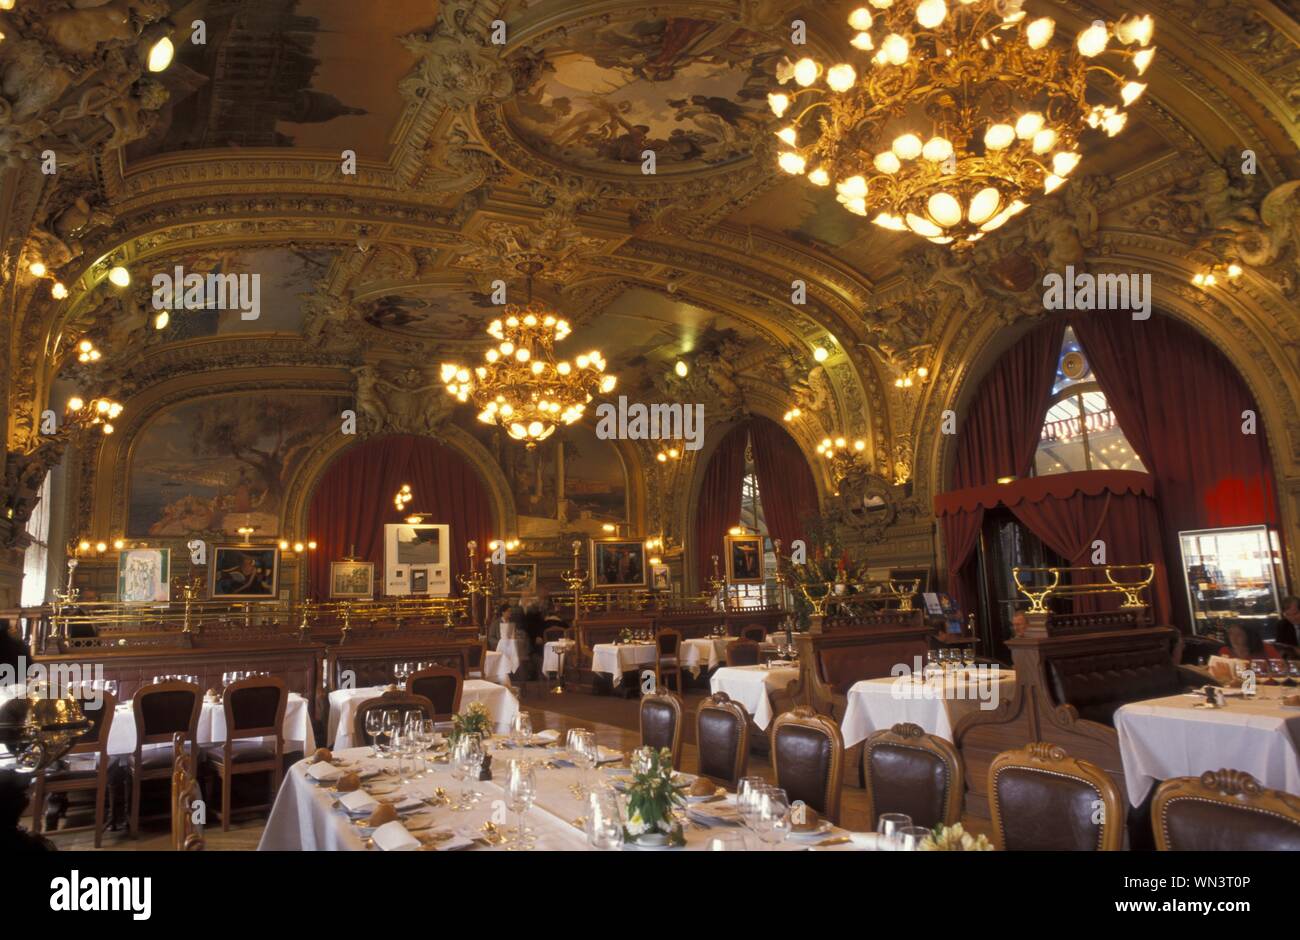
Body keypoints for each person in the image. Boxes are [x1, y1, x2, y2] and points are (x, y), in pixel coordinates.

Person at [1218, 622, 1283, 662]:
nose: (1233, 638)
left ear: (1249, 636)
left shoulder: (1267, 649)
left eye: (1239, 634)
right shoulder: (1224, 651)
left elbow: (1281, 671)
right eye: (1231, 634)